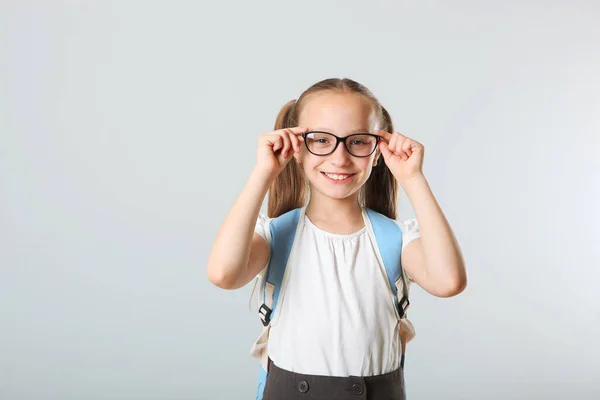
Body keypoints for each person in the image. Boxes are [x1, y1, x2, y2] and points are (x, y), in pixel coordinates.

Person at [206, 77, 467, 399]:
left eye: (358, 141)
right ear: (297, 147)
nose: (340, 158)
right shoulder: (275, 234)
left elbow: (448, 282)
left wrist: (413, 178)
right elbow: (224, 275)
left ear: (377, 151)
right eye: (320, 139)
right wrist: (263, 174)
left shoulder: (394, 238)